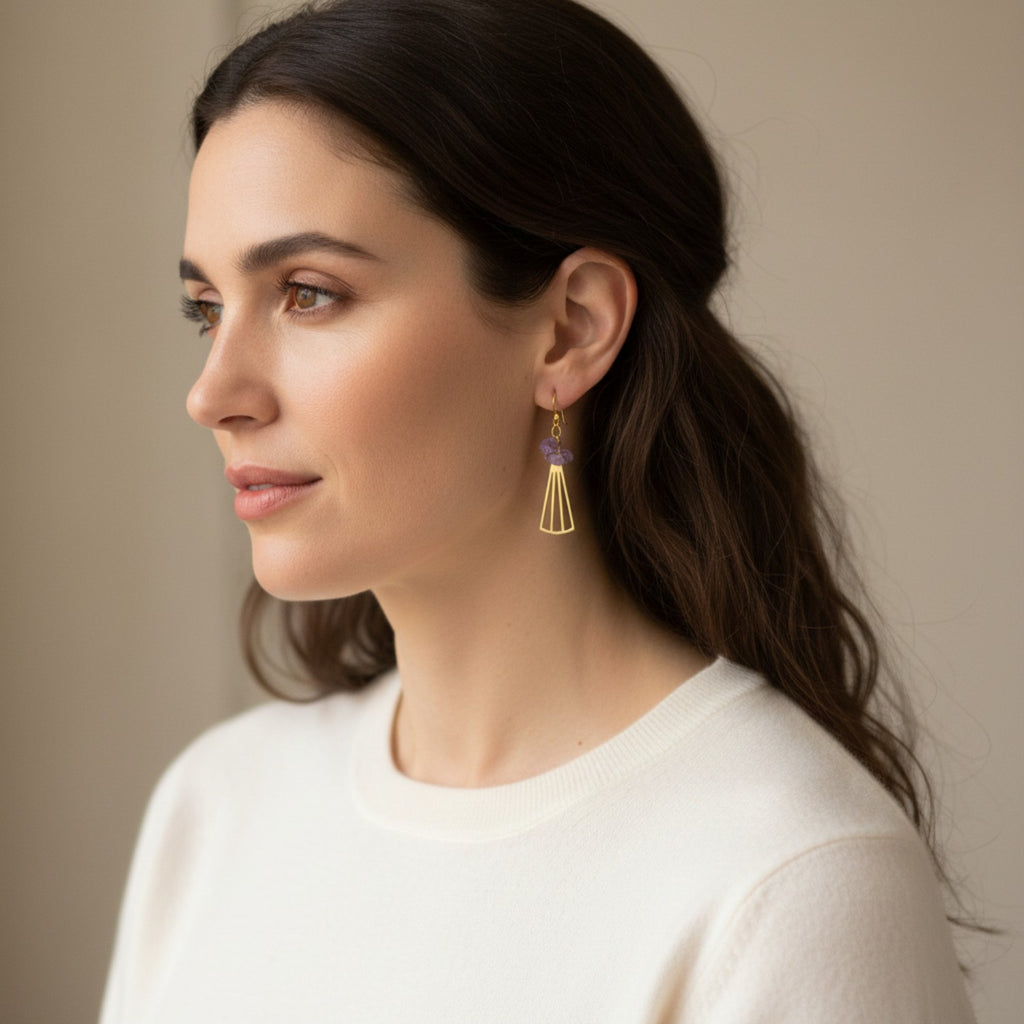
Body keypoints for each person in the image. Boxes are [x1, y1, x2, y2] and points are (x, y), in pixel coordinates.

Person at [99, 0, 977, 1020]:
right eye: (206, 309)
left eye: (308, 293)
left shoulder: (787, 879)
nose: (213, 393)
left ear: (570, 329)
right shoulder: (218, 807)